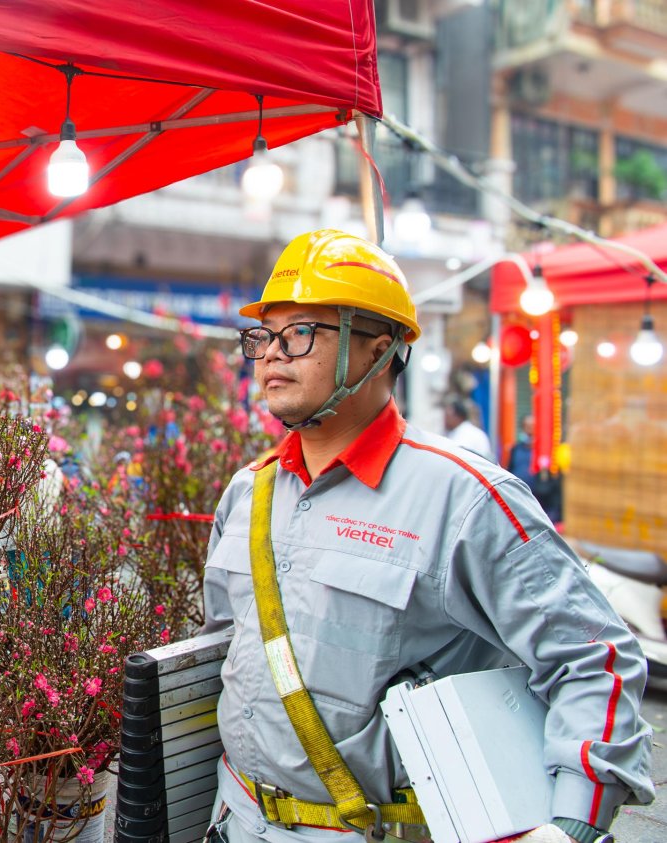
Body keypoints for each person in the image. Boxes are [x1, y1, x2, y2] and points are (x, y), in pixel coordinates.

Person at [200, 230, 651, 843]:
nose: (273, 354)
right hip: (235, 818)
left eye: (301, 332)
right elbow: (225, 651)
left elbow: (594, 656)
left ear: (379, 351)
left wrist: (573, 820)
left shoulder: (466, 500)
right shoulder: (248, 494)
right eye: (264, 336)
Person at [508, 414, 564, 524]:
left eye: (533, 427)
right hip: (518, 500)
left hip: (540, 502)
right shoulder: (515, 449)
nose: (530, 431)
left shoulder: (547, 452)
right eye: (527, 427)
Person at [442, 397, 495, 462]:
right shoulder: (459, 432)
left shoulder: (466, 435)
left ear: (457, 416)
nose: (445, 420)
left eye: (447, 416)